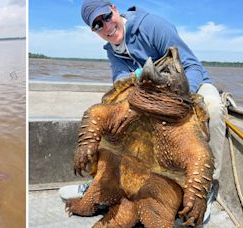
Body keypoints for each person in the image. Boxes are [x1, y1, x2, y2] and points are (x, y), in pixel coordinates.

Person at [59, 0, 226, 224]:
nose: (106, 27)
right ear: (93, 30)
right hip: (144, 98)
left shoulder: (152, 26)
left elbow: (192, 66)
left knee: (213, 108)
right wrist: (132, 105)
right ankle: (103, 179)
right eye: (97, 25)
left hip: (184, 88)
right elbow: (120, 81)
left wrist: (179, 97)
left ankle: (206, 189)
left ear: (114, 10)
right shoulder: (112, 49)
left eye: (106, 17)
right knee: (107, 111)